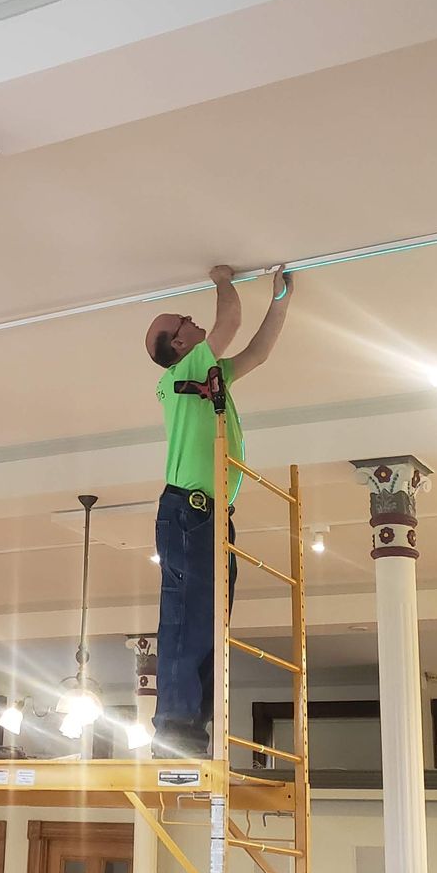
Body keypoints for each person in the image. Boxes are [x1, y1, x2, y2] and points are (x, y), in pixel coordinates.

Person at [145, 263, 293, 756]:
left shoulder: (207, 372)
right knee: (190, 619)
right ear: (178, 346)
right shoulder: (178, 374)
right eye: (183, 320)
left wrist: (280, 300)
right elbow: (229, 323)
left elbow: (259, 352)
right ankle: (175, 725)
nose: (192, 320)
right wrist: (221, 279)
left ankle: (189, 728)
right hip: (190, 513)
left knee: (208, 619)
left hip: (206, 516)